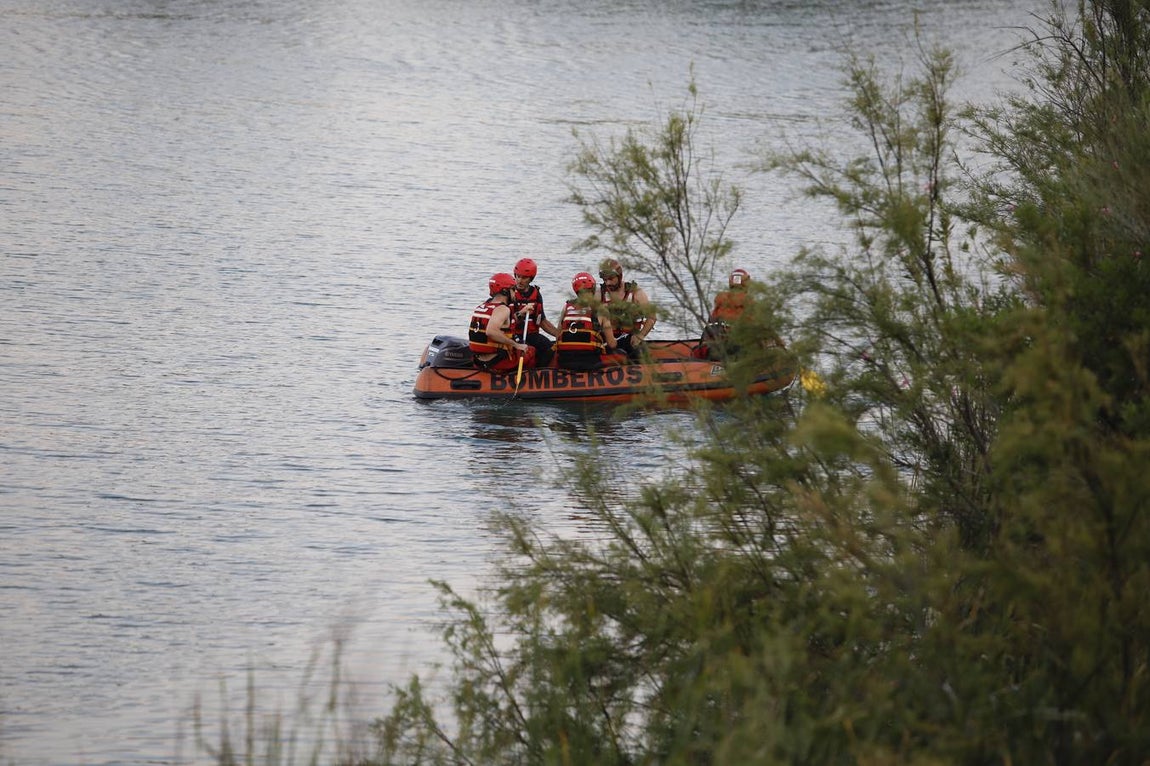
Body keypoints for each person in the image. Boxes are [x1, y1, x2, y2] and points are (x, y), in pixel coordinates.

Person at [555, 272, 623, 371]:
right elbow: (612, 344)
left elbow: (558, 337)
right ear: (593, 289)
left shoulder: (566, 307)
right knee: (622, 354)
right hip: (590, 362)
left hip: (565, 361)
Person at [468, 272, 535, 371]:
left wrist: (521, 313)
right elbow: (491, 331)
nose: (515, 292)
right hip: (496, 361)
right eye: (513, 289)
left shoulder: (483, 306)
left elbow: (506, 324)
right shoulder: (503, 309)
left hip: (478, 360)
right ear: (505, 291)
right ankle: (525, 381)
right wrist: (516, 345)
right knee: (530, 350)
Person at [597, 258, 655, 359]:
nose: (608, 283)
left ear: (619, 276)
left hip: (630, 340)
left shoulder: (636, 293)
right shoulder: (599, 294)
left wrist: (640, 336)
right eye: (605, 279)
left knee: (639, 353)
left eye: (611, 279)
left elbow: (652, 317)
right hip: (607, 341)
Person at [509, 257, 559, 367]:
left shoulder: (536, 294)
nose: (519, 280)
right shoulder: (509, 293)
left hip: (532, 334)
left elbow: (542, 321)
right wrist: (521, 313)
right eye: (517, 276)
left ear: (531, 278)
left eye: (524, 278)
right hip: (514, 335)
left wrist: (559, 335)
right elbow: (504, 320)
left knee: (549, 347)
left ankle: (538, 371)